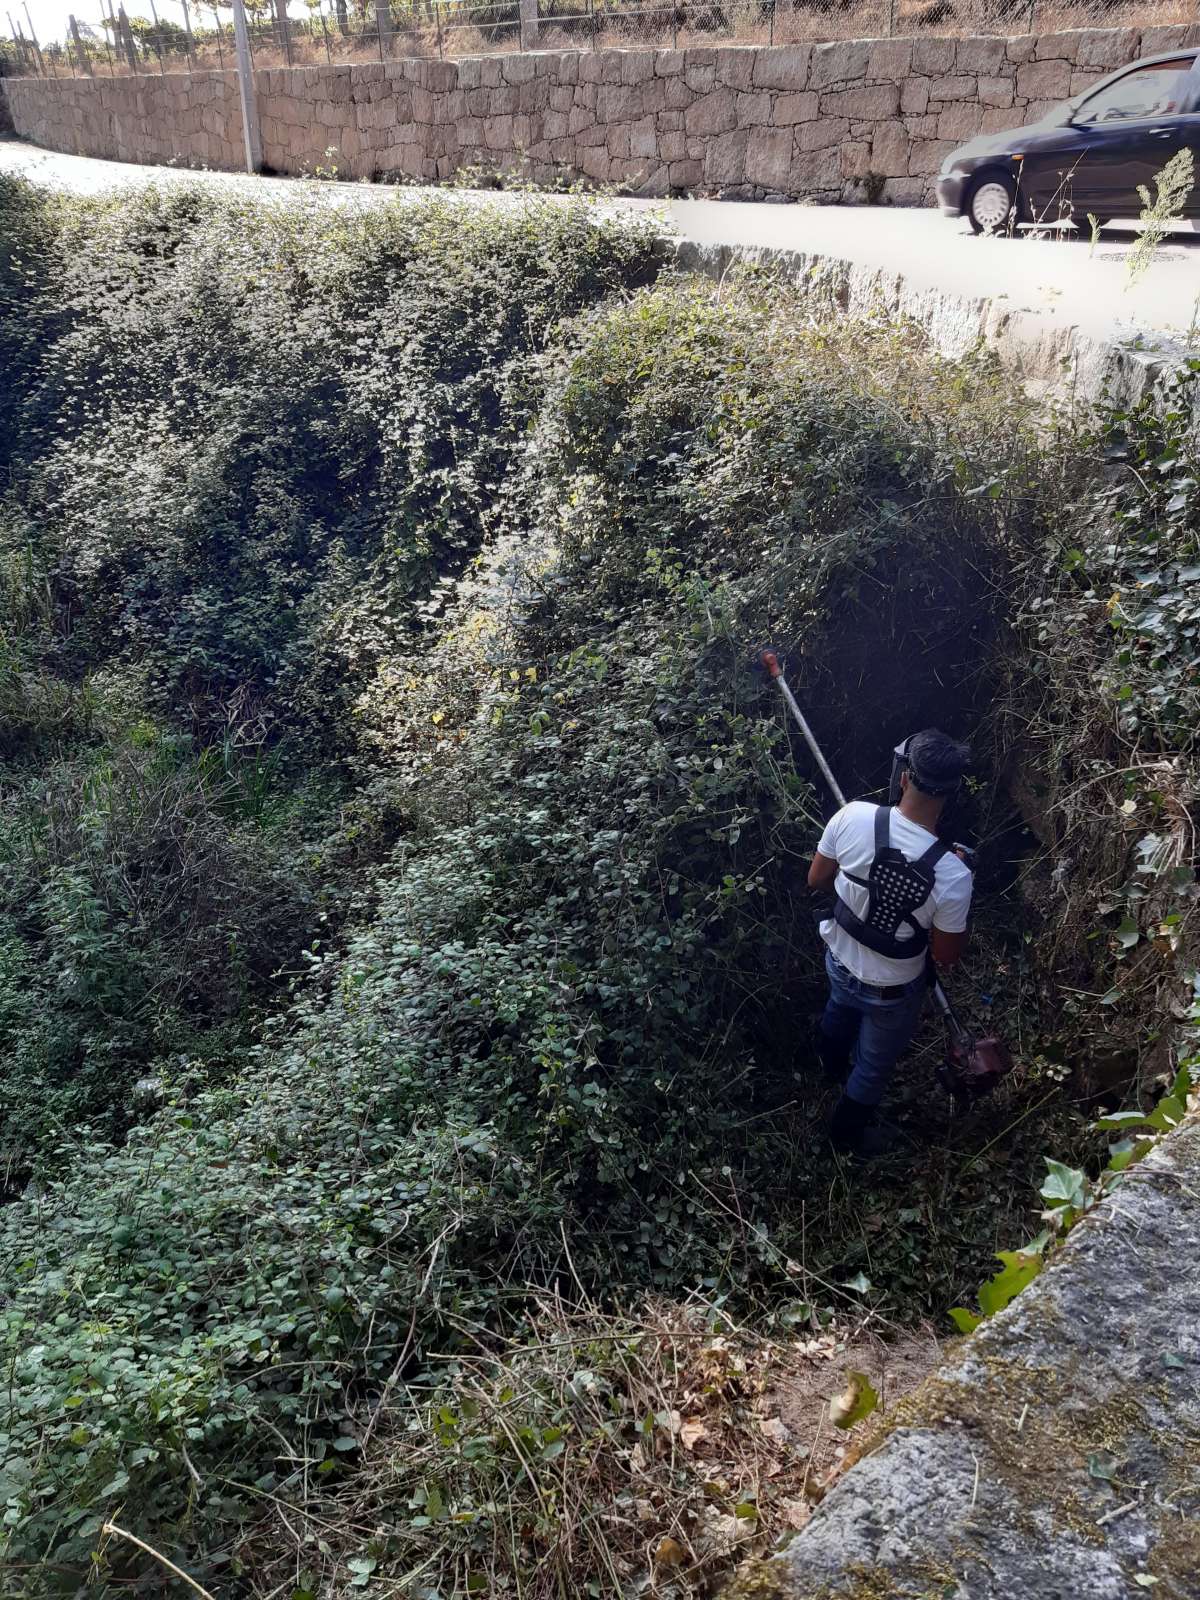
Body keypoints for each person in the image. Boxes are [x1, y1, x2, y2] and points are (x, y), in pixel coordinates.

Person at [806, 728, 974, 1158]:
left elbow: (817, 879)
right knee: (875, 1064)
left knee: (838, 1007)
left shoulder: (852, 817)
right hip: (893, 991)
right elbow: (945, 957)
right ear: (951, 792)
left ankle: (824, 1069)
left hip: (839, 960)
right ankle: (844, 1138)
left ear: (903, 777)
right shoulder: (954, 876)